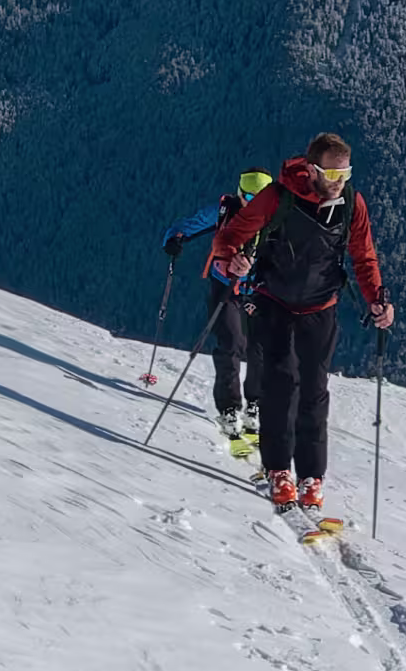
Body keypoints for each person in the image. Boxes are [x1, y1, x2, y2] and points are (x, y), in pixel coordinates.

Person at [207, 132, 388, 509]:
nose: (339, 180)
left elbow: (364, 256)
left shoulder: (352, 204)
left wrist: (378, 300)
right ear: (310, 169)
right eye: (330, 173)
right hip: (274, 302)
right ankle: (278, 471)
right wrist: (233, 260)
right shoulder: (279, 197)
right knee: (281, 384)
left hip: (321, 307)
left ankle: (311, 477)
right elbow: (230, 237)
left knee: (314, 389)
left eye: (345, 173)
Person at [159, 170, 273, 457]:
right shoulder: (225, 212)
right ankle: (230, 409)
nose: (254, 202)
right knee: (231, 345)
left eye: (260, 197)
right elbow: (191, 224)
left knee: (261, 350)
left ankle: (255, 405)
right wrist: (173, 239)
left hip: (261, 292)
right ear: (239, 193)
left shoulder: (276, 220)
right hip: (225, 288)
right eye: (248, 197)